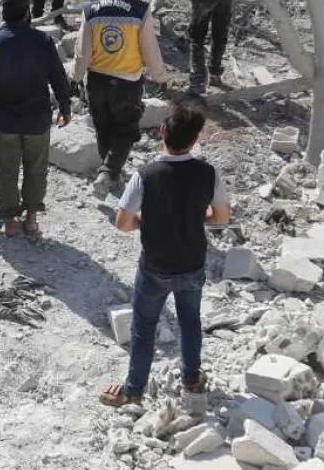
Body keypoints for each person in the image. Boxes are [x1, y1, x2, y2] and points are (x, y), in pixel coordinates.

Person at [98, 97, 230, 407]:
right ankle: (191, 380)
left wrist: (145, 221)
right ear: (195, 139)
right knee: (190, 322)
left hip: (155, 266)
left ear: (161, 132)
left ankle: (133, 390)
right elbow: (222, 219)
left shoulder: (144, 175)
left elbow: (122, 223)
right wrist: (199, 217)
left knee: (144, 327)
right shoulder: (208, 173)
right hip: (192, 263)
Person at [0, 0, 72, 237]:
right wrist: (65, 107)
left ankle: (9, 223)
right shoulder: (43, 41)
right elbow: (59, 78)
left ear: (3, 14)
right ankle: (30, 220)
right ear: (27, 12)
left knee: (8, 171)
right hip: (37, 120)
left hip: (5, 121)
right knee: (36, 169)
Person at [74, 0, 168, 197]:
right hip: (127, 82)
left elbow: (82, 53)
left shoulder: (90, 10)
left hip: (97, 81)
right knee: (125, 129)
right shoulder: (140, 10)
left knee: (103, 128)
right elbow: (150, 49)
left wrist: (76, 78)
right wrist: (160, 76)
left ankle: (110, 171)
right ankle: (108, 172)